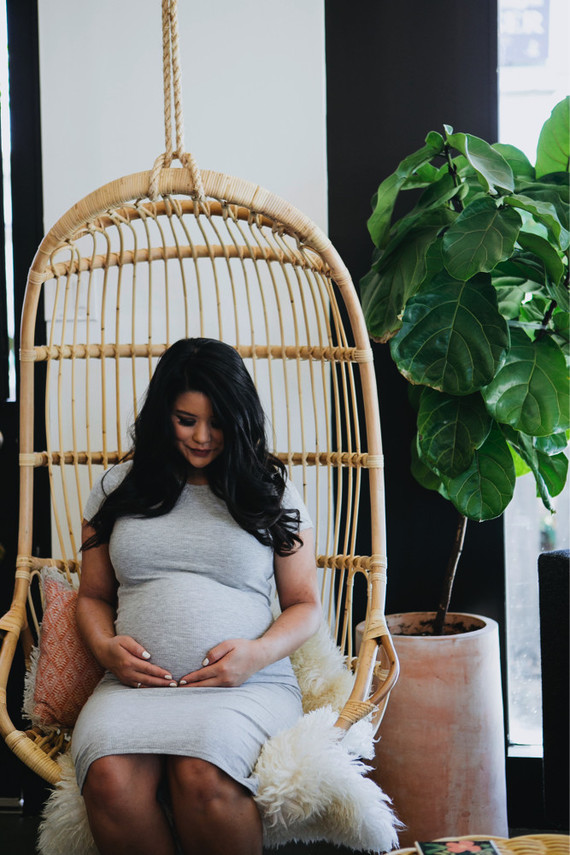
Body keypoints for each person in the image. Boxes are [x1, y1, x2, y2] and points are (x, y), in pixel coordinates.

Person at [73, 337, 321, 855]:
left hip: (246, 687)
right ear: (163, 415)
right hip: (134, 690)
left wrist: (255, 655)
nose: (203, 437)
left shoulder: (269, 490)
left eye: (218, 422)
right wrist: (103, 649)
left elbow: (305, 604)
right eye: (186, 421)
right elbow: (93, 596)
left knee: (201, 773)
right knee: (109, 779)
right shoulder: (118, 487)